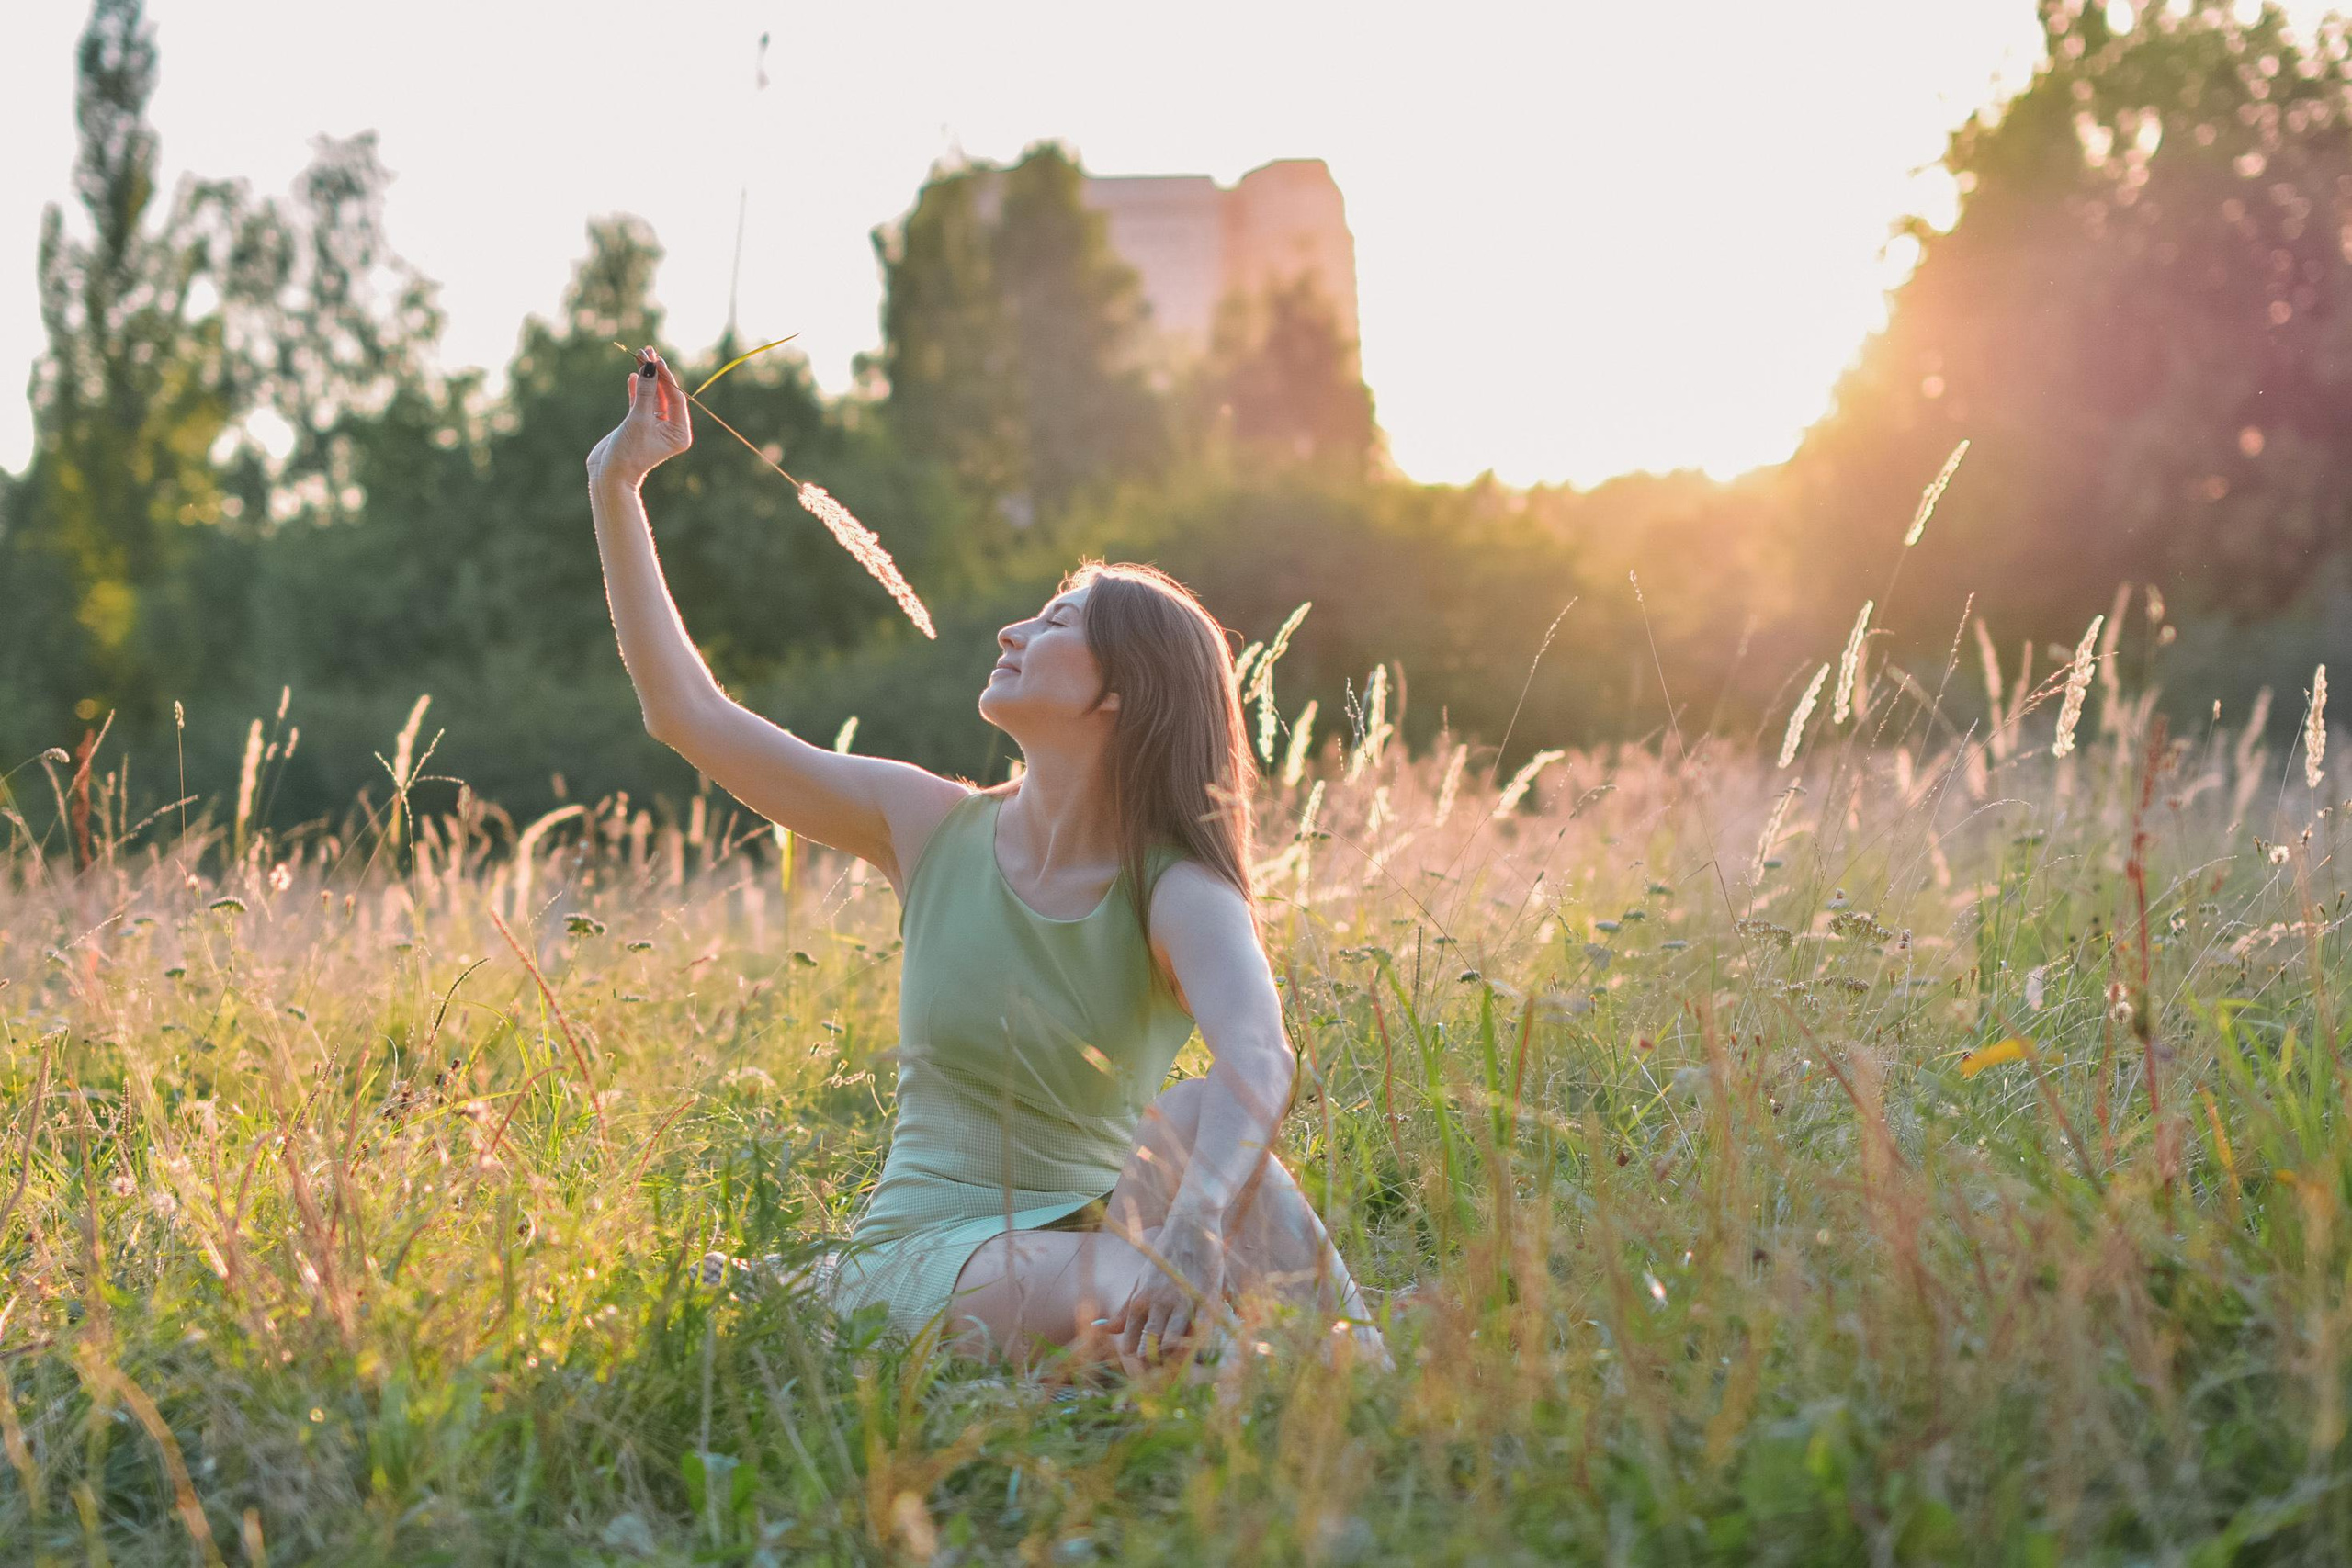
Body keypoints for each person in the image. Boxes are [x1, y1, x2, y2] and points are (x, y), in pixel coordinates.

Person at [585, 347, 1387, 1375]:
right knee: (1136, 1288)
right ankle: (1280, 1366)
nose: (1011, 629)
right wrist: (617, 483)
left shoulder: (1176, 889)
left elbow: (1259, 1057)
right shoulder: (924, 822)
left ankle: (1356, 1368)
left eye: (1055, 623)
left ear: (1118, 698)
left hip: (1101, 1239)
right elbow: (683, 712)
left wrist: (1191, 1223)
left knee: (1206, 1130)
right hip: (936, 1256)